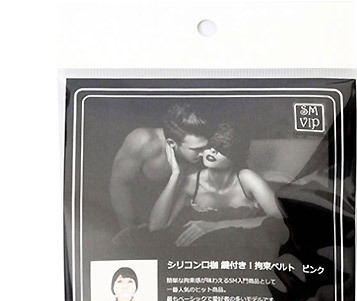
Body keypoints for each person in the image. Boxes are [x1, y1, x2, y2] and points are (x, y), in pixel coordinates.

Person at [148, 122, 287, 246]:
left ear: (236, 154)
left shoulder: (247, 178)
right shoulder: (191, 182)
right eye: (210, 145)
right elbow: (156, 227)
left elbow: (281, 220)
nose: (212, 151)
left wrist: (216, 225)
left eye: (222, 147)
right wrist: (175, 175)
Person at [110, 103, 210, 236]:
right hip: (129, 216)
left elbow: (166, 221)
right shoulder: (143, 141)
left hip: (163, 222)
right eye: (197, 149)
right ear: (172, 143)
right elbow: (120, 184)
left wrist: (176, 175)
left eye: (206, 146)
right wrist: (127, 228)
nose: (205, 154)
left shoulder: (203, 162)